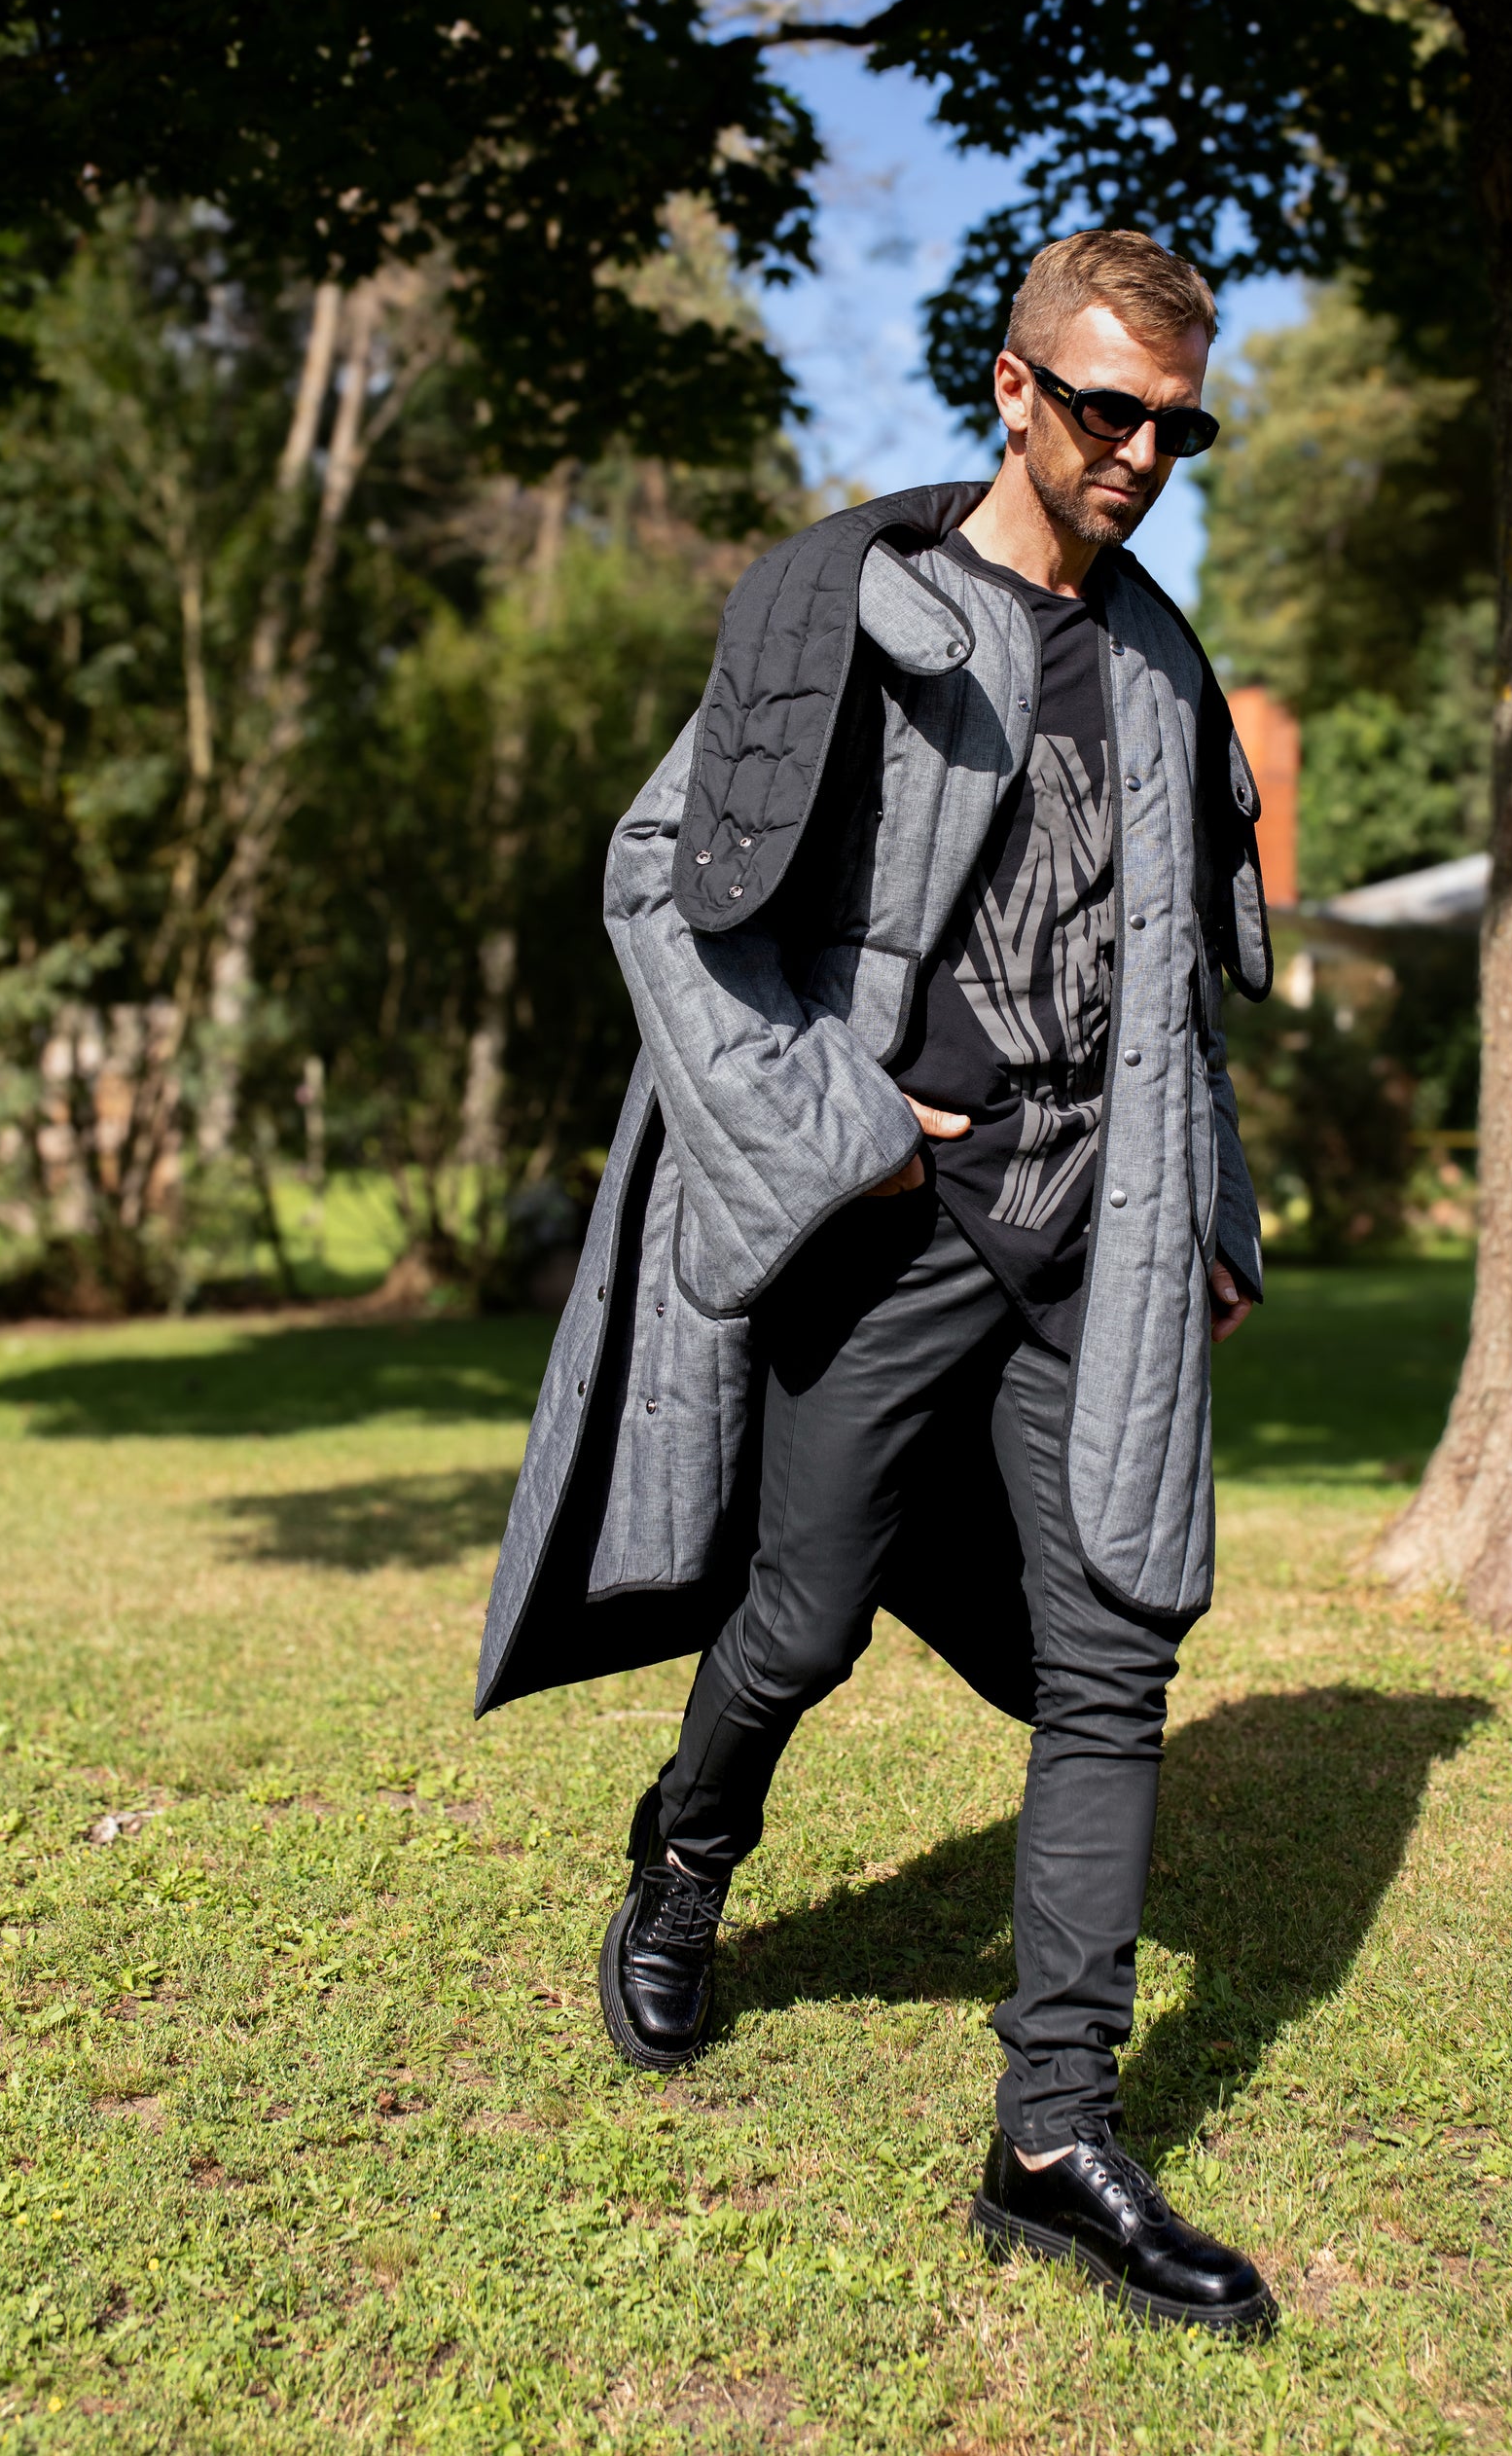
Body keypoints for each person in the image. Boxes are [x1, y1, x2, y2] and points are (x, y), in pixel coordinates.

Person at [474, 228, 1278, 2338]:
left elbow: (1174, 989)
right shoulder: (856, 603)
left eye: (1177, 426)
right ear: (1011, 387)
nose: (1138, 453)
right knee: (803, 1613)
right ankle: (685, 1852)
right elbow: (658, 876)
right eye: (1103, 408)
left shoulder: (1164, 666)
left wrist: (1212, 1211)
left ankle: (1053, 2134)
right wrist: (834, 1105)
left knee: (1112, 1656)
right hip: (896, 1222)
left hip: (1093, 1232)